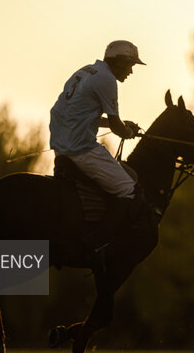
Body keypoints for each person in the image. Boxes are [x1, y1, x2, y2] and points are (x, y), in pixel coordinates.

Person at [49, 40, 146, 259]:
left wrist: (121, 124)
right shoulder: (108, 80)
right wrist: (128, 132)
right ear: (120, 61)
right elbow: (116, 126)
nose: (131, 71)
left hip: (60, 145)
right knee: (129, 190)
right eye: (130, 65)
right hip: (81, 148)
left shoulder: (86, 71)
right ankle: (96, 243)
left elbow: (83, 114)